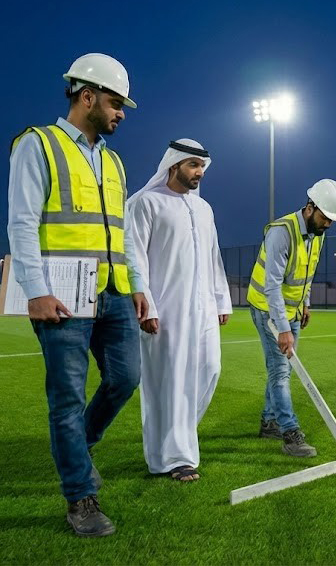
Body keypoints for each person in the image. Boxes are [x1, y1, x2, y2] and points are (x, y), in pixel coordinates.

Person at [7, 53, 146, 538]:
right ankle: (80, 497)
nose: (121, 113)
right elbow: (22, 222)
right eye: (115, 103)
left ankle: (78, 450)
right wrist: (36, 290)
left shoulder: (113, 161)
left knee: (126, 379)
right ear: (87, 96)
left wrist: (137, 285)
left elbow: (122, 233)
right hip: (62, 296)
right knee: (66, 398)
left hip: (113, 292)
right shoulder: (38, 144)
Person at [126, 139, 232, 483]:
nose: (199, 172)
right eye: (193, 165)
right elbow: (134, 256)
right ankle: (176, 458)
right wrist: (147, 304)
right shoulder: (145, 203)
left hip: (204, 308)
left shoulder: (203, 209)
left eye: (202, 166)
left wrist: (221, 300)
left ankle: (175, 442)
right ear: (174, 165)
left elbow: (214, 257)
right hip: (165, 309)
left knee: (210, 369)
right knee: (168, 383)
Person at [247, 179, 336, 457]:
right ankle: (290, 433)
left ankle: (269, 422)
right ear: (310, 207)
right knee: (281, 371)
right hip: (267, 309)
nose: (328, 224)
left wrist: (306, 304)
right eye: (325, 217)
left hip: (293, 310)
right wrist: (282, 329)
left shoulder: (318, 233)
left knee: (283, 370)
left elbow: (307, 273)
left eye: (332, 220)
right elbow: (272, 286)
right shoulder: (281, 233)